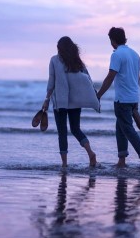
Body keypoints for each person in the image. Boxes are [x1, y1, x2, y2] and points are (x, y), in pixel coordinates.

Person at [96, 27, 140, 168]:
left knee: (127, 129)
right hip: (134, 98)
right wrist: (135, 95)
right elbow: (137, 78)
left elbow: (110, 77)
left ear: (112, 40)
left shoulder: (117, 55)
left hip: (122, 100)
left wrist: (98, 95)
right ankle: (121, 160)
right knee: (120, 128)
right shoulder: (135, 54)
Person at [42, 36, 99, 168]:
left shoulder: (54, 60)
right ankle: (90, 153)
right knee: (75, 129)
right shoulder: (77, 62)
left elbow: (51, 82)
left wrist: (46, 100)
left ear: (60, 49)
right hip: (75, 102)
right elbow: (88, 80)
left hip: (61, 103)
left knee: (62, 132)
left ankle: (64, 164)